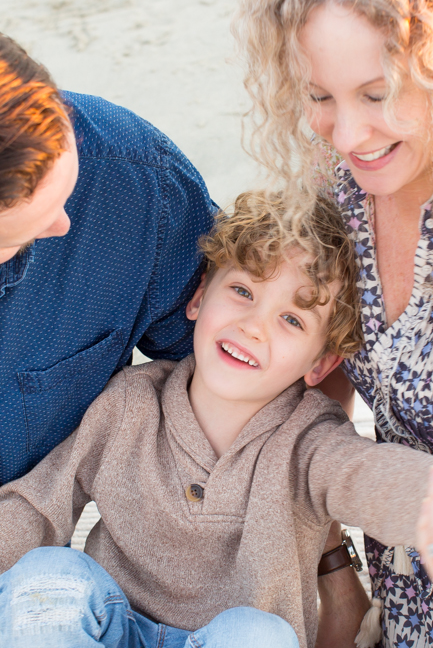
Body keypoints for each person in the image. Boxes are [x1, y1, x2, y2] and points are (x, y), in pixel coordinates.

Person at [0, 190, 432, 648]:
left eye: (292, 320)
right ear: (199, 299)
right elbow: (40, 504)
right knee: (48, 575)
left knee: (257, 634)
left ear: (320, 364)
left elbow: (364, 476)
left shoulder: (310, 441)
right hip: (112, 629)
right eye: (242, 291)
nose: (253, 326)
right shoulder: (131, 402)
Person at [233, 0, 433, 645]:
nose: (347, 135)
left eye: (378, 94)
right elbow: (308, 404)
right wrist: (335, 582)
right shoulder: (336, 186)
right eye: (319, 95)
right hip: (404, 586)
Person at [0, 33, 216, 486]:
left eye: (65, 190)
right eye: (20, 236)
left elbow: (232, 375)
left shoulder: (133, 183)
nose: (62, 226)